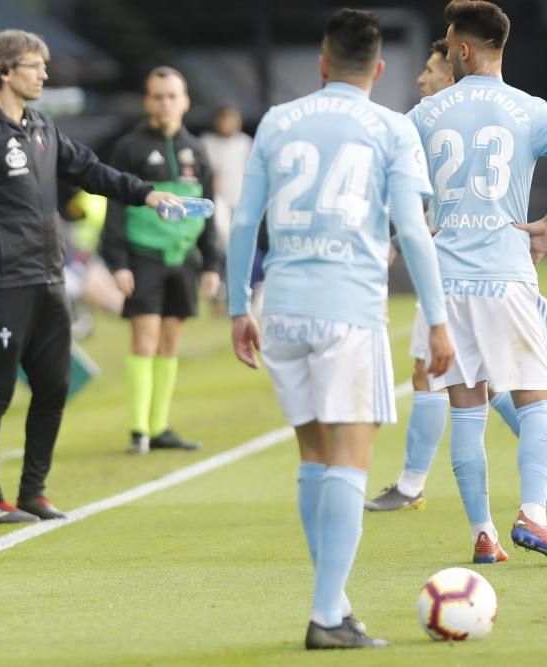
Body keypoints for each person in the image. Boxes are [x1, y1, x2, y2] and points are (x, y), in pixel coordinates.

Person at [228, 9, 452, 649]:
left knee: (313, 459)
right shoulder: (389, 127)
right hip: (348, 311)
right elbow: (411, 230)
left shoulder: (277, 120)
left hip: (283, 309)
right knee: (350, 465)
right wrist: (437, 321)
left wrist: (238, 307)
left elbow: (246, 222)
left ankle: (337, 602)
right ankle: (327, 617)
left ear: (323, 64)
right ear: (378, 69)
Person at [0, 29, 179, 524]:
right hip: (2, 280)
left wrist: (147, 193)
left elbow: (90, 169)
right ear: (5, 72)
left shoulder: (42, 125)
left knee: (54, 386)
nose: (45, 73)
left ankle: (33, 491)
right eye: (35, 65)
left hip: (48, 276)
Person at [406, 0, 547, 563]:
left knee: (467, 407)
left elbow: (402, 196)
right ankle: (535, 513)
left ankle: (483, 534)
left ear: (463, 49)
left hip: (446, 282)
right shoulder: (531, 109)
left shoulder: (424, 114)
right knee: (536, 401)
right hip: (505, 273)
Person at [366, 38, 522, 513]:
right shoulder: (447, 126)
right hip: (479, 271)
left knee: (435, 374)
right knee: (485, 382)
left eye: (430, 70)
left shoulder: (433, 124)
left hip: (455, 274)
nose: (421, 79)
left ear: (453, 75)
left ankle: (412, 484)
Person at [100, 66, 221, 454]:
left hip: (182, 260)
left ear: (185, 101)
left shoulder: (197, 151)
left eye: (172, 96)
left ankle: (160, 425)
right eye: (158, 96)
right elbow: (116, 207)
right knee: (145, 340)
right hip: (144, 258)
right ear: (147, 101)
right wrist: (118, 261)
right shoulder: (129, 148)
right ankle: (139, 430)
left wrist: (211, 265)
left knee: (170, 343)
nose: (165, 103)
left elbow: (208, 212)